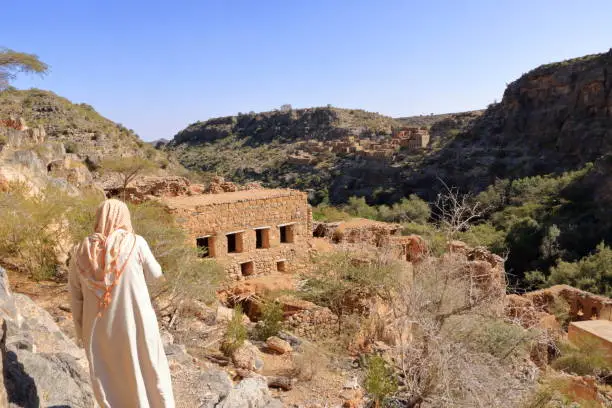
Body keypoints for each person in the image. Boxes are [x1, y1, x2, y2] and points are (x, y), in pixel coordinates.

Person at [69, 199, 175, 408]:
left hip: (98, 329)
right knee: (149, 368)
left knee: (112, 376)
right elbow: (156, 275)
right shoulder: (136, 243)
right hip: (135, 321)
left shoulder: (80, 251)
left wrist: (81, 332)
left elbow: (76, 298)